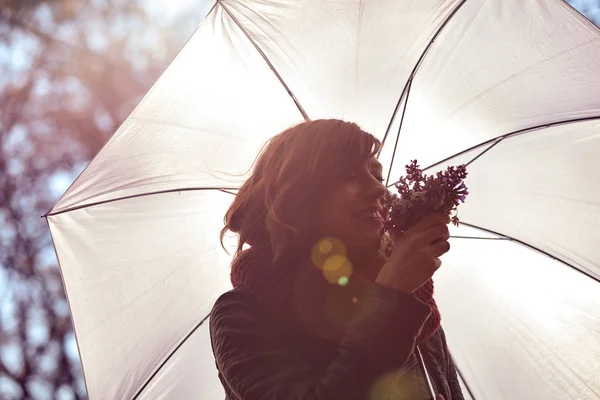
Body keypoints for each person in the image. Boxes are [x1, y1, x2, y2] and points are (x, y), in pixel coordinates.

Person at [209, 119, 464, 400]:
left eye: (378, 177)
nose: (380, 191)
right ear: (297, 196)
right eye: (350, 176)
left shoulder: (418, 310)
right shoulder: (243, 313)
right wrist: (392, 296)